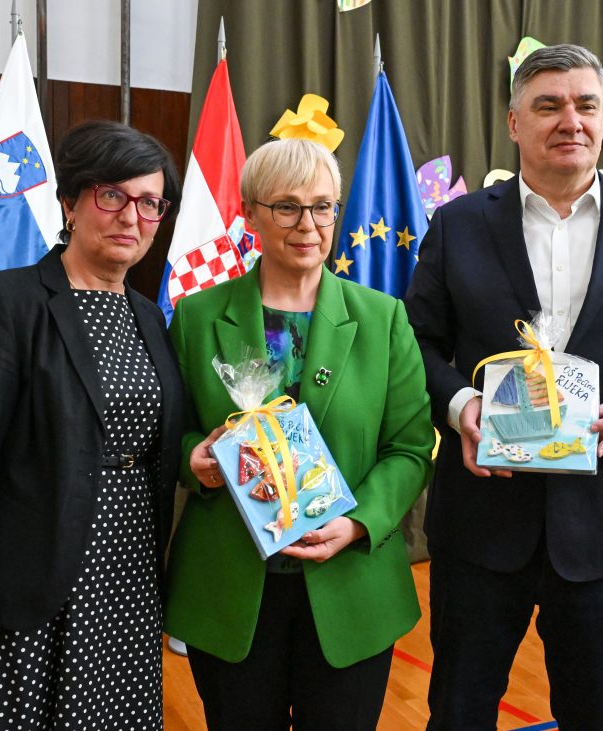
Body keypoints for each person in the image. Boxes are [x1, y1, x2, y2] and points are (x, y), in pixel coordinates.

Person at [405, 44, 603, 729]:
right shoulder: (457, 224)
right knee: (458, 712)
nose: (569, 120)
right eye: (547, 105)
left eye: (585, 105)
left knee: (597, 716)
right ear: (514, 122)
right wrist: (460, 405)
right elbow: (416, 344)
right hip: (480, 524)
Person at [0, 120, 184, 730]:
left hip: (126, 589)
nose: (131, 216)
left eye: (150, 203)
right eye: (111, 195)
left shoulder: (150, 318)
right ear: (70, 203)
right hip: (22, 601)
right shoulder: (4, 304)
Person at [165, 138, 434, 730]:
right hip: (231, 589)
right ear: (250, 214)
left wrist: (359, 522)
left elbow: (411, 449)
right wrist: (196, 460)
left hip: (352, 586)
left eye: (322, 206)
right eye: (286, 206)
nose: (307, 224)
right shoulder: (196, 317)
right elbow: (172, 437)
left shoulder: (384, 319)